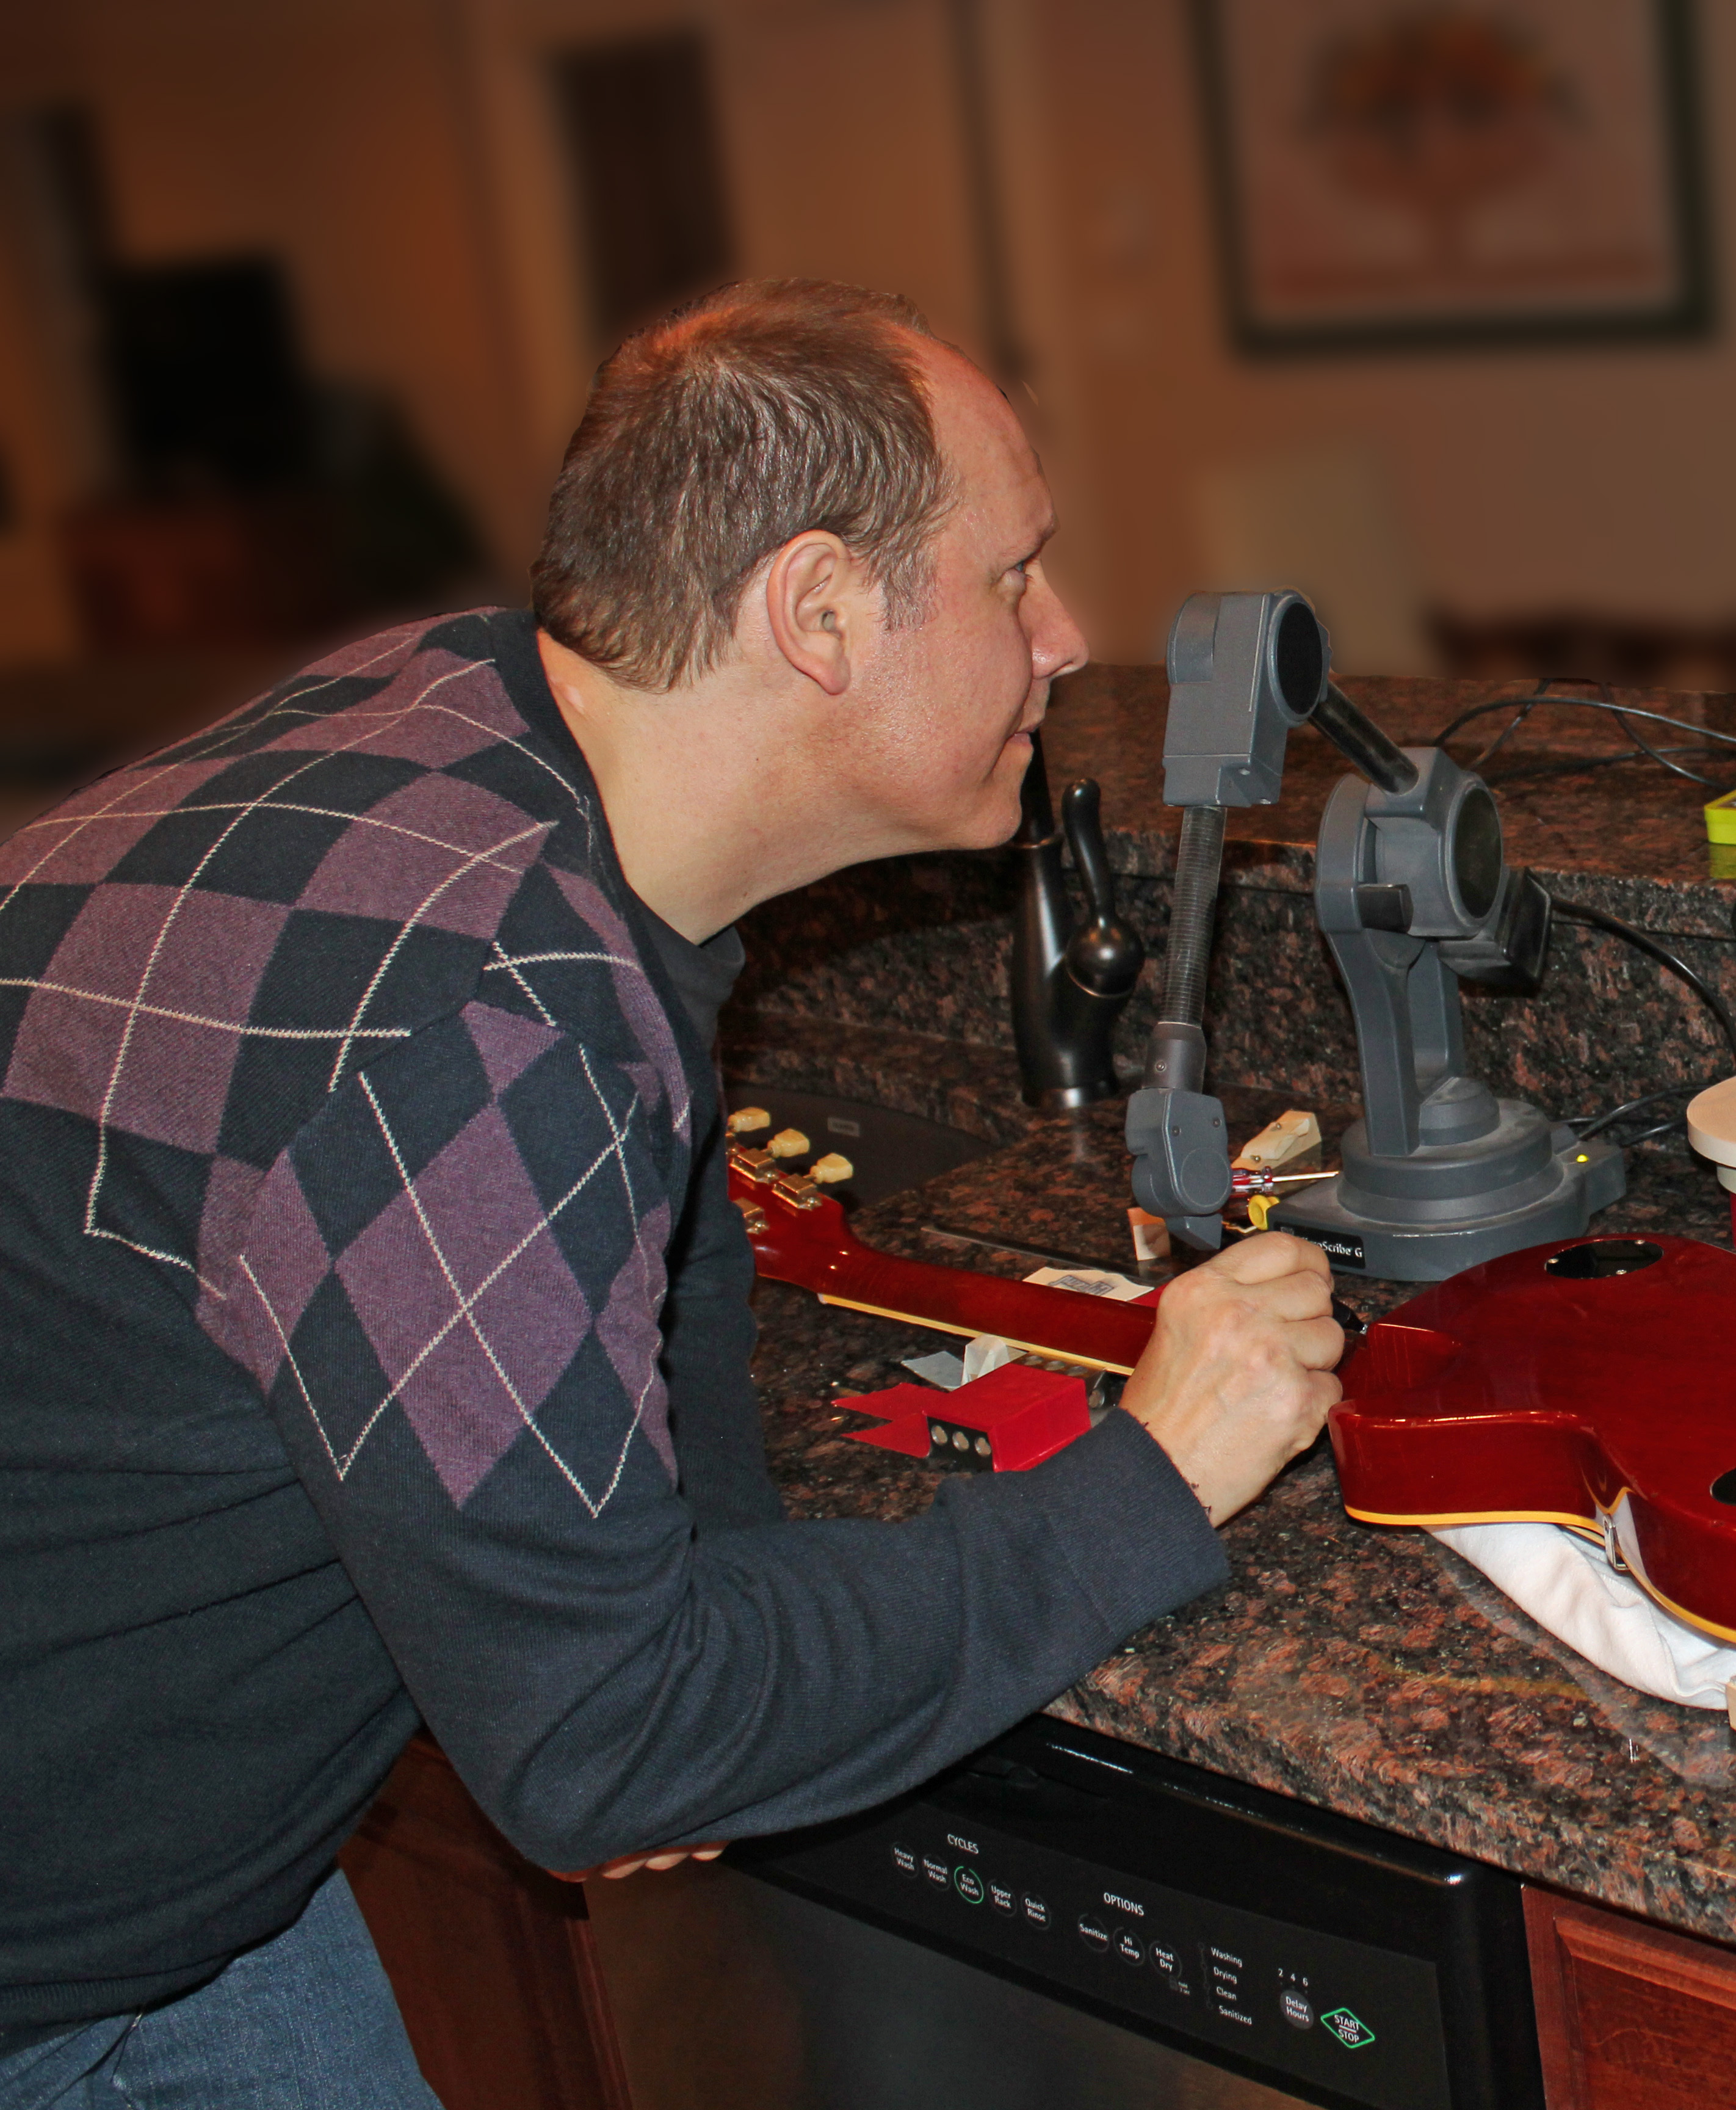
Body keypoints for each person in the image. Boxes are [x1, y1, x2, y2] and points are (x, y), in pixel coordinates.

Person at [0, 280, 1344, 2107]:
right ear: (817, 611)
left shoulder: (465, 729)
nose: (1064, 637)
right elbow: (606, 1751)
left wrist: (704, 1629)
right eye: (1011, 576)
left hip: (139, 1837)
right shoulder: (477, 1018)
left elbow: (664, 1191)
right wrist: (1158, 1473)